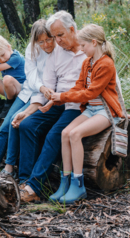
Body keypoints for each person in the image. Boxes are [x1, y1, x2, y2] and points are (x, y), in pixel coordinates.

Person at [16, 11, 87, 203]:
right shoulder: (56, 52)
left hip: (76, 104)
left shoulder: (88, 47)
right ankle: (24, 182)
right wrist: (30, 110)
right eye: (54, 36)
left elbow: (109, 77)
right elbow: (47, 84)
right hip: (55, 102)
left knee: (54, 134)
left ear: (72, 29)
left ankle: (34, 187)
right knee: (27, 126)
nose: (56, 41)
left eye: (60, 35)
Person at [49, 24, 124, 204]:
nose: (81, 50)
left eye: (83, 46)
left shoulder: (106, 64)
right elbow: (79, 87)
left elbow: (90, 93)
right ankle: (65, 182)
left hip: (106, 111)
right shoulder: (87, 63)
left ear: (94, 42)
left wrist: (63, 96)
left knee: (75, 134)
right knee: (65, 133)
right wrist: (57, 99)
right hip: (91, 110)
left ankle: (78, 184)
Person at [0, 21, 56, 177]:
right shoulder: (31, 51)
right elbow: (30, 77)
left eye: (48, 40)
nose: (44, 44)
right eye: (40, 41)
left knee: (13, 123)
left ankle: (9, 167)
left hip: (35, 95)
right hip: (26, 92)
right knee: (5, 127)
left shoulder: (53, 53)